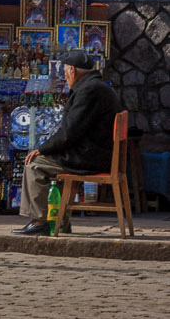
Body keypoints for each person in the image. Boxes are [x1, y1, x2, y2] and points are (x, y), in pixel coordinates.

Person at [18, 48, 119, 234]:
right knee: (45, 161)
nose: (65, 78)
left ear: (72, 71)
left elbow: (70, 132)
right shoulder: (96, 87)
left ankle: (39, 222)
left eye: (65, 73)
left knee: (34, 164)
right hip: (94, 153)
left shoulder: (89, 90)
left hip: (89, 157)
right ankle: (60, 222)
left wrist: (42, 149)